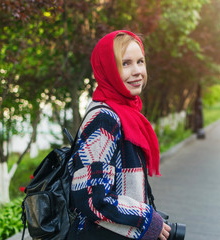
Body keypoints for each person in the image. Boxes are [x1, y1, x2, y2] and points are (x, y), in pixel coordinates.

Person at [67, 30, 171, 240]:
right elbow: (92, 198)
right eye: (125, 64)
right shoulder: (104, 119)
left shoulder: (125, 113)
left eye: (140, 61)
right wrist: (146, 219)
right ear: (107, 69)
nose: (137, 71)